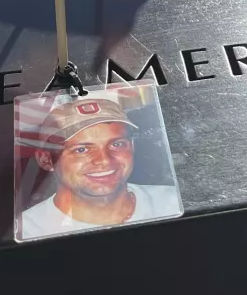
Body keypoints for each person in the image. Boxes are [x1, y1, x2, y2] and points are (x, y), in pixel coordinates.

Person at [20, 97, 181, 238]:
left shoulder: (174, 201)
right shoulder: (27, 231)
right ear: (45, 159)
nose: (104, 160)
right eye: (81, 150)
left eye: (117, 144)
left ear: (132, 146)